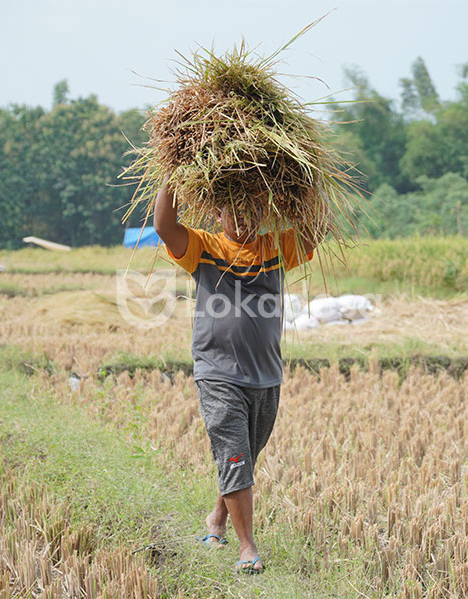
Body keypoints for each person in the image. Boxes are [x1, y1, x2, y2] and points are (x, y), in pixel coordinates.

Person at [153, 181, 320, 574]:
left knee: (244, 455)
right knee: (233, 452)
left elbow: (315, 227)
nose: (242, 217)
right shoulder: (205, 248)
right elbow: (164, 226)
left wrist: (295, 191)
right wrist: (174, 177)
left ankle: (217, 520)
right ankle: (248, 548)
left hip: (266, 374)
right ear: (216, 212)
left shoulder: (276, 249)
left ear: (262, 213)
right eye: (233, 209)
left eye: (250, 209)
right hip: (217, 371)